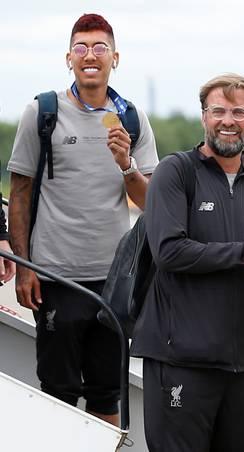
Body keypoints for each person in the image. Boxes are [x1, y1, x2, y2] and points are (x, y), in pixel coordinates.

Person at [8, 13, 158, 426]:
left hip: (114, 283)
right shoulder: (42, 112)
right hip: (55, 278)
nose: (90, 55)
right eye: (81, 47)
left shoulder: (131, 119)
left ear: (115, 58)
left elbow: (148, 202)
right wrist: (24, 269)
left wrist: (126, 163)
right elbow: (19, 194)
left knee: (107, 397)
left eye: (99, 47)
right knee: (56, 396)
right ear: (68, 58)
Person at [130, 73, 244, 452]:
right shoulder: (175, 171)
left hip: (243, 366)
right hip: (182, 361)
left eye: (238, 111)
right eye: (218, 110)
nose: (227, 120)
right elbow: (169, 252)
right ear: (203, 117)